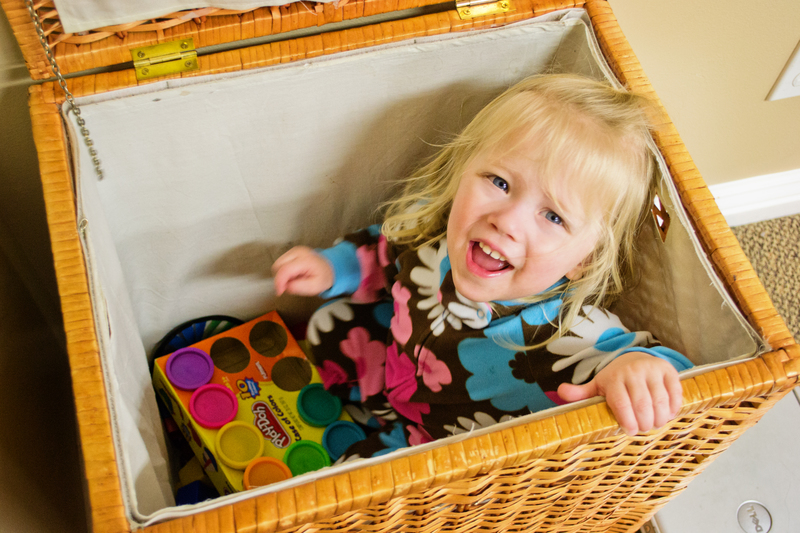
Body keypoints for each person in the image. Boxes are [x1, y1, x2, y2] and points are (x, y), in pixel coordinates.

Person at [272, 74, 693, 461]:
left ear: (585, 260)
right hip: (392, 366)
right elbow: (386, 246)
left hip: (438, 442)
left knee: (359, 482)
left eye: (553, 217)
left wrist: (636, 367)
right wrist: (333, 268)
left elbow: (672, 374)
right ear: (464, 169)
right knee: (328, 325)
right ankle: (355, 408)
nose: (507, 221)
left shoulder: (568, 332)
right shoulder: (436, 232)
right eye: (499, 182)